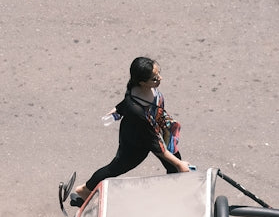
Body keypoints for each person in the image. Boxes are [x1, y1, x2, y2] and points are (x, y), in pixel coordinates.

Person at [69, 57, 191, 205]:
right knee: (117, 167)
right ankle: (85, 189)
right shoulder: (137, 110)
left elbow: (125, 103)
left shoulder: (139, 88)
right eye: (154, 78)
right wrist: (179, 164)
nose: (160, 79)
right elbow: (156, 145)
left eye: (159, 73)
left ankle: (176, 191)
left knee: (173, 162)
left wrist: (116, 111)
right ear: (142, 82)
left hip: (155, 128)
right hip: (138, 140)